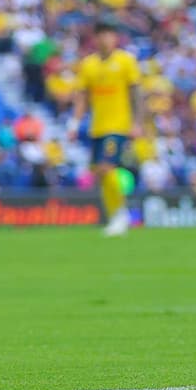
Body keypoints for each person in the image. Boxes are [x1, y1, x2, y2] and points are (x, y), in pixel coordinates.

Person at [69, 17, 143, 236]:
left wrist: (137, 122)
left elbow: (136, 93)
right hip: (97, 127)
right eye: (102, 34)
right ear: (96, 38)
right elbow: (82, 97)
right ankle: (116, 215)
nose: (106, 39)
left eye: (110, 34)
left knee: (106, 167)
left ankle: (120, 216)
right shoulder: (89, 65)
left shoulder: (126, 61)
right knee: (99, 173)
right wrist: (74, 123)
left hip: (118, 126)